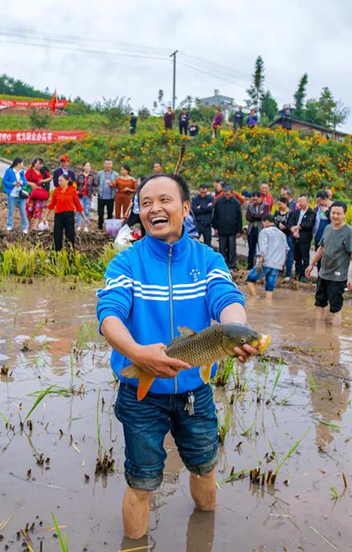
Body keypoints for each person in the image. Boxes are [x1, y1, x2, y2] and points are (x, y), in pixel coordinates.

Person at [96, 172, 258, 540]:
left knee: (204, 468)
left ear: (186, 208)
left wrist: (237, 332)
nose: (154, 208)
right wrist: (138, 354)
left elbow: (227, 300)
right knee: (141, 482)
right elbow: (109, 315)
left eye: (164, 200)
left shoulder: (208, 259)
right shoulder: (127, 263)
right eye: (146, 203)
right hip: (141, 399)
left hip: (194, 394)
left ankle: (202, 537)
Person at [305, 201, 352, 325]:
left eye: (338, 214)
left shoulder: (349, 232)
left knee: (335, 308)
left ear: (344, 214)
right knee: (319, 303)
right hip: (323, 273)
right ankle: (319, 332)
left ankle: (335, 337)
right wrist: (311, 264)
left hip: (338, 277)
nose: (335, 216)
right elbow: (321, 248)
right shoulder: (328, 228)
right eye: (333, 213)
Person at [247, 213, 288, 298]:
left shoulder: (264, 231)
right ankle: (268, 305)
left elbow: (263, 248)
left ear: (266, 222)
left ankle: (254, 299)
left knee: (250, 279)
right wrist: (283, 265)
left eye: (263, 223)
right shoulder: (282, 234)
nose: (263, 225)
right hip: (277, 265)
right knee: (269, 288)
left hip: (266, 262)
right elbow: (286, 250)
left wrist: (260, 262)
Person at [44, 173, 83, 251]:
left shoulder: (72, 190)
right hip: (59, 216)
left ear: (67, 181)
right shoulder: (56, 191)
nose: (59, 182)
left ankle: (70, 256)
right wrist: (45, 217)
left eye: (61, 181)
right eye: (58, 181)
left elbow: (78, 205)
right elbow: (51, 205)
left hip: (69, 215)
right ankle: (57, 255)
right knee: (57, 236)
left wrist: (84, 217)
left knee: (70, 236)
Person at [212, 185, 242, 269]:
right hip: (222, 229)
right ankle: (222, 265)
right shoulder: (219, 202)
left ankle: (232, 265)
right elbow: (215, 215)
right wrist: (215, 227)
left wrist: (239, 230)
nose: (227, 196)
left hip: (232, 229)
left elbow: (239, 217)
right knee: (222, 248)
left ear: (232, 193)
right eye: (225, 194)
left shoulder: (236, 203)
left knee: (232, 249)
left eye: (229, 195)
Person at [289, 194, 316, 281]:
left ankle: (304, 276)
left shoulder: (311, 213)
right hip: (295, 238)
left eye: (301, 201)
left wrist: (297, 227)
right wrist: (293, 231)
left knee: (305, 258)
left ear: (307, 201)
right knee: (297, 258)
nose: (299, 203)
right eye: (298, 201)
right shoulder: (295, 212)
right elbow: (290, 224)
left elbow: (308, 224)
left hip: (305, 239)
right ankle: (297, 275)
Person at [2, 158, 28, 233]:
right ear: (18, 164)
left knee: (23, 211)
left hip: (20, 194)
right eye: (22, 163)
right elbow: (4, 181)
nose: (23, 165)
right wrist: (12, 184)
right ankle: (9, 225)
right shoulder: (9, 171)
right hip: (12, 194)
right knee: (11, 210)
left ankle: (25, 227)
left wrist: (21, 182)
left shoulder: (22, 172)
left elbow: (25, 182)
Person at [245, 192, 268, 269]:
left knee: (261, 248)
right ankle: (250, 265)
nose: (254, 201)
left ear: (259, 198)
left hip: (261, 229)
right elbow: (248, 217)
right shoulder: (250, 206)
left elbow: (263, 216)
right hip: (251, 229)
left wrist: (254, 216)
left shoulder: (265, 205)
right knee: (251, 248)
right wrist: (257, 216)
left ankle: (262, 265)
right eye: (253, 199)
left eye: (256, 199)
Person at [25, 158, 51, 223]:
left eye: (41, 164)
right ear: (34, 163)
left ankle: (35, 226)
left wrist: (43, 181)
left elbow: (50, 178)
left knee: (38, 209)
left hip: (39, 193)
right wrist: (31, 184)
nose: (40, 165)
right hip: (31, 193)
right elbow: (24, 181)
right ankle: (28, 225)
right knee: (29, 209)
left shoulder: (43, 171)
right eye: (39, 163)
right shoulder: (30, 171)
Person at [274, 197, 294, 278]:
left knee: (288, 256)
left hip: (287, 236)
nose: (279, 206)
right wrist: (278, 224)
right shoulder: (277, 212)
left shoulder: (291, 213)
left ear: (285, 203)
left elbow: (291, 225)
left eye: (280, 204)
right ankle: (278, 271)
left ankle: (288, 274)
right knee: (277, 255)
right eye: (278, 205)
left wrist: (284, 226)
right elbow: (273, 221)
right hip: (277, 237)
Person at [76, 161, 97, 233]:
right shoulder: (79, 176)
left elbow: (95, 185)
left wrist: (94, 191)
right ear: (83, 167)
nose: (87, 167)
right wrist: (76, 191)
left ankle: (85, 226)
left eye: (89, 166)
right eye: (86, 166)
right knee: (79, 210)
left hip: (88, 196)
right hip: (80, 196)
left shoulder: (92, 176)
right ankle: (78, 226)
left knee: (87, 211)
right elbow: (75, 184)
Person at [97, 159, 118, 230]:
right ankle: (100, 226)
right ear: (104, 165)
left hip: (110, 197)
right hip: (101, 196)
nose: (108, 165)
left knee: (110, 213)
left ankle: (109, 228)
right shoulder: (100, 173)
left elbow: (117, 185)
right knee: (100, 213)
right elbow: (97, 183)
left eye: (109, 164)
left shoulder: (115, 174)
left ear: (112, 165)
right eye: (106, 164)